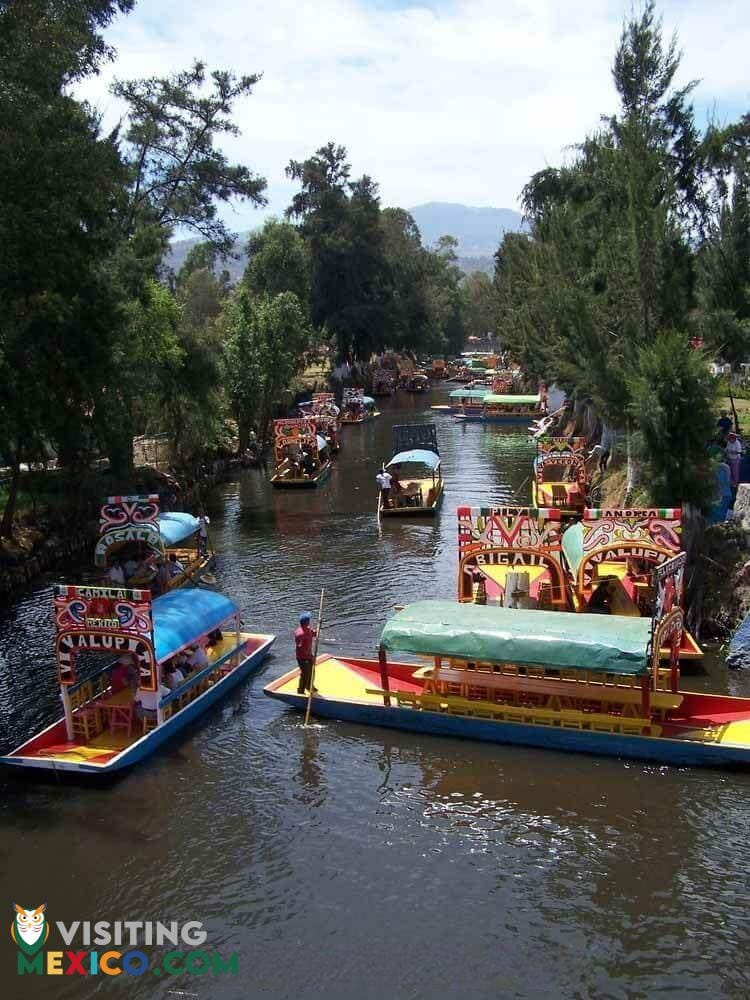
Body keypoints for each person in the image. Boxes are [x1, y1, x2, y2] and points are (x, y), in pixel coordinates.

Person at [295, 612, 317, 694]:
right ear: (306, 622)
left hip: (308, 656)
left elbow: (313, 633)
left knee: (311, 672)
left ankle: (310, 686)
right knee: (305, 674)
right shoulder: (300, 634)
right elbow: (300, 647)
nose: (310, 621)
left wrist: (315, 632)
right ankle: (301, 690)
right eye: (309, 620)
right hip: (302, 658)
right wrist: (309, 656)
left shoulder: (308, 629)